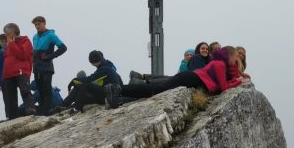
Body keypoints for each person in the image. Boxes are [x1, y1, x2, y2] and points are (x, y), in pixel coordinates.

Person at [105, 46, 248, 109]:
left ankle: (121, 93)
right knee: (157, 89)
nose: (237, 59)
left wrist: (240, 76)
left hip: (190, 78)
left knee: (157, 89)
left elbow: (228, 77)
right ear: (228, 55)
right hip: (190, 78)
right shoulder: (219, 65)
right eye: (235, 56)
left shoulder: (219, 64)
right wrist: (237, 82)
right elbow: (223, 87)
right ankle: (119, 90)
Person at [32, 16, 67, 116]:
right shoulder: (35, 37)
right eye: (35, 25)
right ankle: (43, 111)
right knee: (40, 90)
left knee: (46, 89)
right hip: (36, 67)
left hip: (47, 67)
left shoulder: (51, 35)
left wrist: (50, 56)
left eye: (39, 24)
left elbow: (63, 48)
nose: (37, 26)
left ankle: (47, 111)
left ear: (44, 23)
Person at [2, 23, 36, 120]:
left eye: (7, 33)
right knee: (10, 96)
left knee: (25, 91)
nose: (6, 35)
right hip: (8, 74)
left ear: (14, 32)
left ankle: (30, 109)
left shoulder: (24, 40)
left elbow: (23, 55)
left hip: (21, 71)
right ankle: (12, 116)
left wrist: (12, 44)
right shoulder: (7, 45)